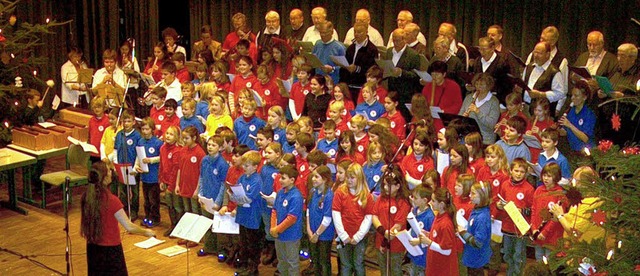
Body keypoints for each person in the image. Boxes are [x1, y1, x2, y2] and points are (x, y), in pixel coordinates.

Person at [81, 162, 155, 275]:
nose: (111, 172)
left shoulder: (86, 197)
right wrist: (146, 232)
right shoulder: (112, 200)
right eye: (109, 171)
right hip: (110, 250)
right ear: (104, 178)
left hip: (92, 247)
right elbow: (129, 226)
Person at [332, 163, 373, 276]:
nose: (349, 180)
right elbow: (336, 214)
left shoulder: (366, 195)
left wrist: (358, 236)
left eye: (352, 178)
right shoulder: (340, 192)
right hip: (341, 236)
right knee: (345, 264)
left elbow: (368, 217)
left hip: (359, 237)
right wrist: (343, 235)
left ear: (359, 178)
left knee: (358, 263)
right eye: (348, 177)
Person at [496, 158, 534, 276]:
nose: (518, 174)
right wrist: (499, 205)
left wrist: (521, 210)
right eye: (516, 171)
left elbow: (533, 210)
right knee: (507, 254)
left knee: (518, 255)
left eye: (522, 172)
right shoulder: (505, 185)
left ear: (526, 173)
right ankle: (510, 272)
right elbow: (500, 200)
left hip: (520, 229)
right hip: (507, 227)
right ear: (510, 171)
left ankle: (518, 274)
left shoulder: (529, 189)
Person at [371, 166, 411, 276]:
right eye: (384, 184)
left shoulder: (403, 202)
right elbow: (374, 216)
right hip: (380, 240)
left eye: (389, 185)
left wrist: (385, 241)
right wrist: (382, 231)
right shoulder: (382, 198)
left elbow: (397, 226)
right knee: (384, 271)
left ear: (398, 186)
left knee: (395, 271)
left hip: (395, 245)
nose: (385, 187)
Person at [597, 43, 640, 146]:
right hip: (608, 119)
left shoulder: (637, 75)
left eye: (623, 56)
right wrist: (601, 92)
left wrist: (623, 97)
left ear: (632, 58)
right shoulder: (615, 71)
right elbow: (608, 87)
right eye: (618, 55)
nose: (619, 58)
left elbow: (637, 98)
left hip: (628, 123)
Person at [230, 151, 264, 275]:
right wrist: (234, 197)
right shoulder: (242, 177)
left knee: (252, 244)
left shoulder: (257, 180)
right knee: (243, 242)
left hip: (252, 217)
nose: (244, 168)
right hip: (242, 215)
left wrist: (237, 199)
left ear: (255, 166)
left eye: (247, 166)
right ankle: (243, 264)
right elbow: (236, 194)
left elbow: (248, 198)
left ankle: (253, 267)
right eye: (243, 165)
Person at [549, 166, 604, 243]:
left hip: (586, 250)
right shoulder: (580, 198)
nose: (572, 183)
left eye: (575, 181)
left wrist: (560, 216)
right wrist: (559, 216)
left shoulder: (590, 204)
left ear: (585, 184)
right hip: (574, 248)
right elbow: (573, 217)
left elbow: (575, 233)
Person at [197, 136, 229, 257]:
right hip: (206, 197)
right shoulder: (204, 160)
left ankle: (221, 250)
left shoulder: (222, 164)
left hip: (216, 200)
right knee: (207, 223)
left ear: (220, 148)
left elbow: (223, 184)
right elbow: (201, 177)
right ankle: (208, 247)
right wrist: (200, 194)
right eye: (209, 144)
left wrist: (218, 202)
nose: (210, 147)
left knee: (218, 226)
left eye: (213, 145)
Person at [382, 28, 421, 121]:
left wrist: (401, 73)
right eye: (394, 40)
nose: (395, 43)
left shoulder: (413, 55)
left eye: (398, 40)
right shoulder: (389, 51)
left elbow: (416, 75)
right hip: (391, 91)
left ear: (404, 40)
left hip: (405, 94)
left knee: (403, 119)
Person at [531, 162, 567, 261]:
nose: (546, 178)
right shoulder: (539, 190)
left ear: (556, 177)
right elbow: (534, 210)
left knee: (550, 261)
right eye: (544, 175)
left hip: (552, 236)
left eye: (549, 176)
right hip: (538, 234)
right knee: (539, 258)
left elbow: (556, 218)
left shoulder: (560, 194)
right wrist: (533, 228)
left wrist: (545, 232)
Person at [419, 188, 459, 275]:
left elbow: (447, 250)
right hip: (435, 263)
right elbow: (438, 237)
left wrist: (429, 242)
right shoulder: (439, 216)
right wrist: (428, 234)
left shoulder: (446, 224)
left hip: (443, 268)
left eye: (433, 201)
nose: (430, 203)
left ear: (441, 204)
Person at [520, 42, 566, 117]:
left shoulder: (554, 72)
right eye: (535, 52)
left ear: (548, 54)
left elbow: (560, 93)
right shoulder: (529, 67)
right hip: (525, 108)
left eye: (540, 53)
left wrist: (541, 94)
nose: (536, 56)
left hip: (542, 113)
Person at [134, 118, 163, 227]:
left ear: (152, 130)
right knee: (146, 200)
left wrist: (151, 160)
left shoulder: (158, 143)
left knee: (154, 200)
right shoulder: (141, 141)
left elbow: (162, 157)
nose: (145, 131)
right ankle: (148, 217)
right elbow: (138, 156)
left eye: (147, 129)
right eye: (143, 129)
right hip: (144, 177)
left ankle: (155, 218)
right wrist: (137, 166)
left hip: (154, 177)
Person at [306, 165, 335, 276]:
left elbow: (327, 218)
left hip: (324, 235)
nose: (313, 179)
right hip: (312, 232)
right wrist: (309, 229)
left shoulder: (329, 195)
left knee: (324, 262)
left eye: (317, 177)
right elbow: (308, 210)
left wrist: (317, 234)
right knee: (315, 260)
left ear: (325, 179)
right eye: (313, 176)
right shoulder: (313, 191)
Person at [458, 181, 492, 276]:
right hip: (473, 255)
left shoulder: (482, 217)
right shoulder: (477, 209)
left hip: (476, 257)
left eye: (473, 193)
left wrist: (463, 232)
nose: (469, 195)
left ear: (482, 195)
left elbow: (478, 242)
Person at [112, 111, 141, 221]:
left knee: (134, 192)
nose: (126, 124)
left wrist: (135, 168)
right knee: (123, 191)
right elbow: (115, 150)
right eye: (124, 121)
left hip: (133, 168)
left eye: (129, 121)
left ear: (134, 122)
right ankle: (123, 210)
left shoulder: (137, 135)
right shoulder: (119, 134)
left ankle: (134, 211)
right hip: (121, 167)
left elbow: (139, 153)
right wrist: (116, 165)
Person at [460, 73, 501, 145]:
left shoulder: (494, 101)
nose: (479, 87)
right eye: (477, 84)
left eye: (482, 85)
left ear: (489, 86)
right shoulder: (469, 98)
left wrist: (478, 112)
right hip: (467, 137)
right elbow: (459, 116)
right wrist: (463, 117)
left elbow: (491, 124)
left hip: (485, 139)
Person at [422, 60, 463, 131]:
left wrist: (443, 111)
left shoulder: (453, 86)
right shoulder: (427, 87)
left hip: (445, 120)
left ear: (444, 74)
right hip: (430, 119)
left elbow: (458, 105)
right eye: (432, 74)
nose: (434, 77)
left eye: (437, 74)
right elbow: (423, 103)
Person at [472, 36, 513, 106]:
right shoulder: (477, 61)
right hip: (479, 99)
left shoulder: (502, 63)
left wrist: (502, 105)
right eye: (480, 49)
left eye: (484, 49)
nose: (481, 52)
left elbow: (507, 86)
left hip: (495, 101)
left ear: (492, 48)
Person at [558, 81, 596, 152]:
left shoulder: (589, 114)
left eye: (576, 96)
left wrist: (569, 125)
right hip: (572, 150)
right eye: (572, 95)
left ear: (584, 97)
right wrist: (561, 130)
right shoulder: (570, 111)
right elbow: (566, 132)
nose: (572, 98)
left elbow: (585, 138)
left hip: (586, 152)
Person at [340, 22, 378, 91]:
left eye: (359, 32)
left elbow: (372, 70)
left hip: (362, 87)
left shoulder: (372, 49)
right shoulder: (351, 48)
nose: (356, 34)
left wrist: (356, 68)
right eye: (355, 32)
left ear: (366, 32)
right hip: (348, 85)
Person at [158, 126, 182, 236]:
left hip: (174, 184)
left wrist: (171, 187)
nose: (168, 136)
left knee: (177, 206)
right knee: (169, 205)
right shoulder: (163, 148)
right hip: (166, 181)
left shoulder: (177, 151)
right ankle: (173, 225)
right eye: (167, 133)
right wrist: (161, 180)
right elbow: (162, 165)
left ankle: (179, 227)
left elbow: (175, 170)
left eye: (171, 134)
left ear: (177, 137)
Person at [406, 185, 435, 276]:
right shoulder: (414, 211)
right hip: (413, 252)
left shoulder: (430, 217)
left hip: (423, 255)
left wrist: (418, 241)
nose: (413, 199)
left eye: (415, 198)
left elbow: (431, 237)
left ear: (425, 200)